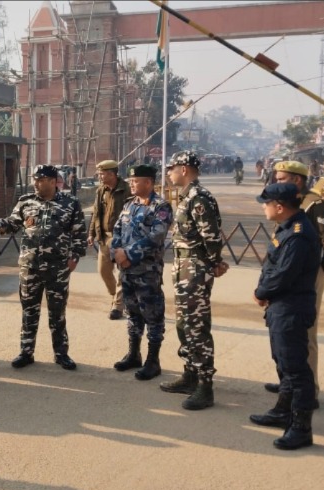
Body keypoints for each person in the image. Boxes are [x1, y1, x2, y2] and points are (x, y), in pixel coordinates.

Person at [0, 165, 86, 371]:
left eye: (40, 180)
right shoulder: (26, 201)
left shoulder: (70, 203)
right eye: (34, 179)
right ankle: (26, 352)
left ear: (52, 181)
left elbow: (79, 233)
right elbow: (12, 223)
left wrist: (75, 257)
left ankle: (61, 353)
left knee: (57, 313)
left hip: (57, 268)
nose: (35, 183)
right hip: (30, 267)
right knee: (29, 311)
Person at [249, 183, 321, 450]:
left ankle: (301, 428)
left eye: (266, 204)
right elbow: (273, 266)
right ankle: (283, 411)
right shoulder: (288, 227)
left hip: (291, 308)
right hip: (281, 306)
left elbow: (284, 274)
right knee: (283, 362)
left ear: (279, 207)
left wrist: (262, 292)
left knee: (296, 369)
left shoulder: (298, 234)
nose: (263, 208)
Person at [264, 161, 324, 406]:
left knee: (305, 333)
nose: (277, 182)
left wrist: (319, 270)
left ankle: (308, 390)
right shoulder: (288, 202)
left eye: (282, 178)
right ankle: (288, 382)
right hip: (287, 273)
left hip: (306, 273)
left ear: (297, 180)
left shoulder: (314, 204)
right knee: (285, 332)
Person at [159, 151, 228, 410]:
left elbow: (211, 236)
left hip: (195, 269)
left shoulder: (199, 198)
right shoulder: (187, 196)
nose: (168, 173)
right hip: (184, 268)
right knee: (183, 324)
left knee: (197, 326)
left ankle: (204, 385)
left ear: (184, 169)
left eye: (172, 168)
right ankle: (190, 375)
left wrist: (215, 263)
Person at [108, 164, 174, 381]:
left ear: (148, 182)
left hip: (147, 272)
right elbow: (117, 230)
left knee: (153, 316)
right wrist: (116, 253)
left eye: (135, 181)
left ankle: (153, 361)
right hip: (127, 271)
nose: (132, 184)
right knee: (132, 313)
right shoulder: (130, 204)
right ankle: (133, 354)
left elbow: (156, 236)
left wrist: (128, 254)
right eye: (131, 180)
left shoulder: (160, 207)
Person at [87, 160, 131, 320]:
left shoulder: (127, 189)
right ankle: (116, 296)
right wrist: (91, 233)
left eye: (102, 174)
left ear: (112, 174)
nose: (99, 176)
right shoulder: (101, 190)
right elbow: (96, 213)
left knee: (122, 272)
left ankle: (118, 306)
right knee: (103, 270)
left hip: (122, 238)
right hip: (105, 237)